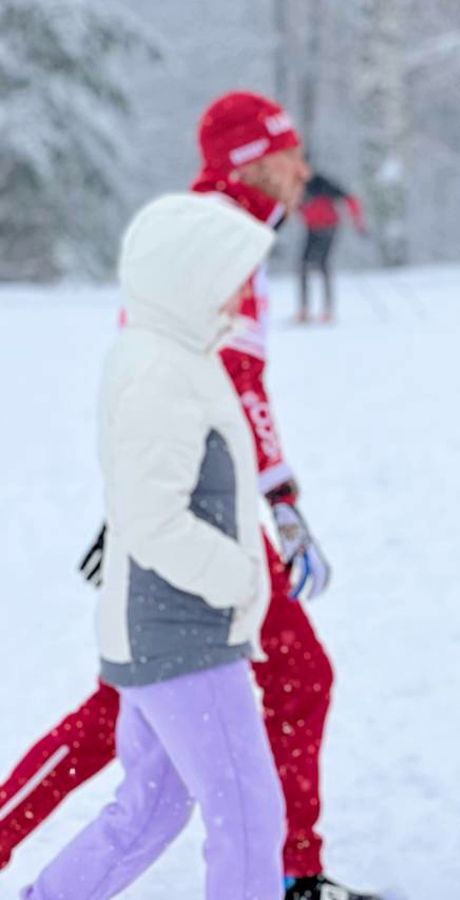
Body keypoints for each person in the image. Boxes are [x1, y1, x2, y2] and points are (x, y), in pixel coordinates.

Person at [0, 91, 374, 900]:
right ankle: (292, 871)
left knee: (144, 733)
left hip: (197, 505)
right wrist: (269, 512)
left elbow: (233, 384)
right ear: (250, 161)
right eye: (289, 153)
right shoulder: (212, 244)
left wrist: (276, 496)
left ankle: (287, 868)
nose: (304, 169)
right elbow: (218, 384)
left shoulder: (236, 235)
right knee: (283, 686)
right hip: (196, 518)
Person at [23, 192, 285, 899]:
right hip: (182, 634)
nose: (245, 290)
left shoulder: (175, 355)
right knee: (250, 816)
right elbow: (150, 518)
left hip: (166, 631)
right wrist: (236, 577)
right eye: (232, 272)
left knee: (151, 811)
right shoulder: (159, 371)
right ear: (188, 275)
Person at [297, 171, 366, 323]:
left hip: (328, 227)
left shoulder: (321, 182)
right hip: (312, 228)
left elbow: (349, 199)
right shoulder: (296, 185)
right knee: (303, 266)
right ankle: (305, 310)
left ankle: (327, 310)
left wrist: (359, 223)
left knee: (322, 265)